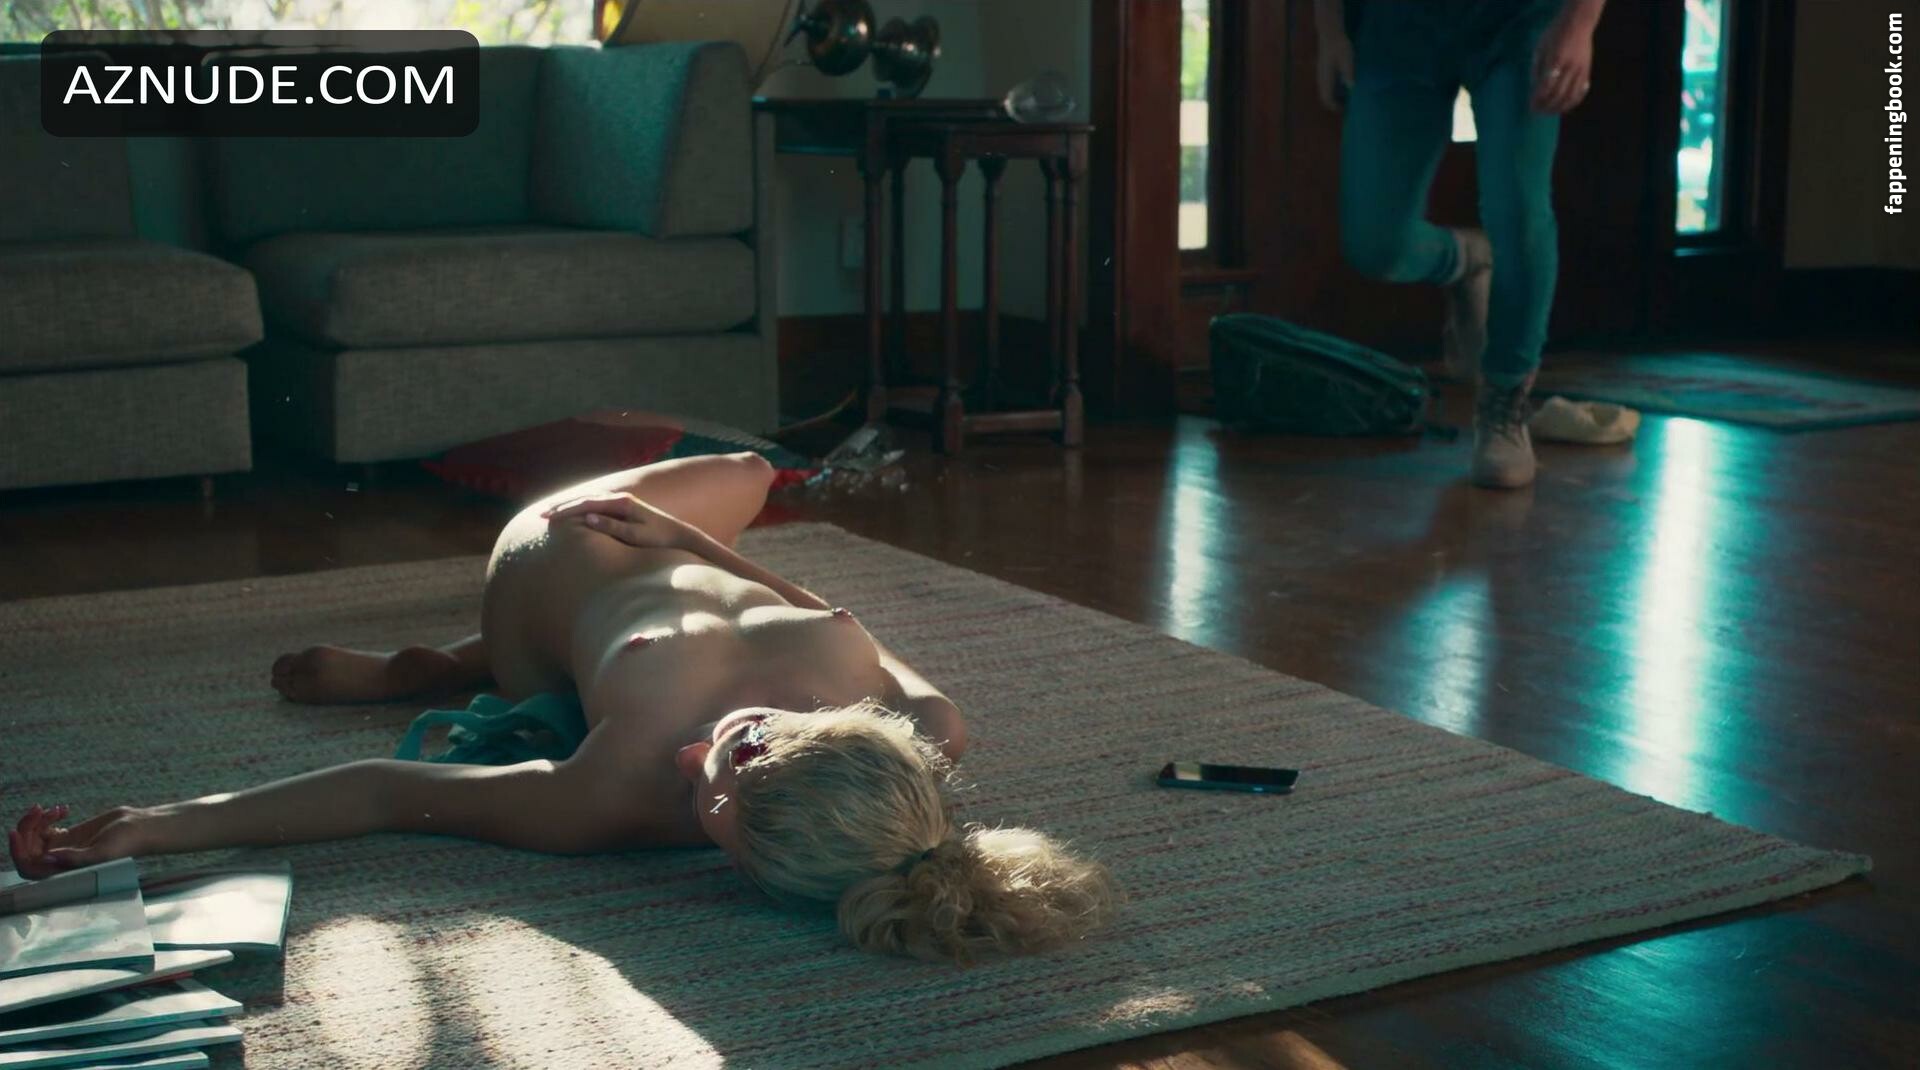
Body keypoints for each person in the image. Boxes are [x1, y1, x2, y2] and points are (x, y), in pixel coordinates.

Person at [7, 454, 1116, 963]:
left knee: (559, 665)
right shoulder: (931, 728)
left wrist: (160, 823)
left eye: (711, 809)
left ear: (734, 863)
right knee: (749, 467)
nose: (695, 758)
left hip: (544, 574)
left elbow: (388, 791)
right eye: (741, 750)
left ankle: (453, 665)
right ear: (853, 733)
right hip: (649, 553)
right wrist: (685, 539)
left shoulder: (608, 797)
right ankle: (462, 663)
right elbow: (842, 617)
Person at [1313, 0, 1606, 488]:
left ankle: (1505, 400)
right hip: (1398, 26)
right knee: (1375, 246)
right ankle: (1464, 261)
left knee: (1518, 210)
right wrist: (1329, 30)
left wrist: (1579, 24)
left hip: (1519, 24)